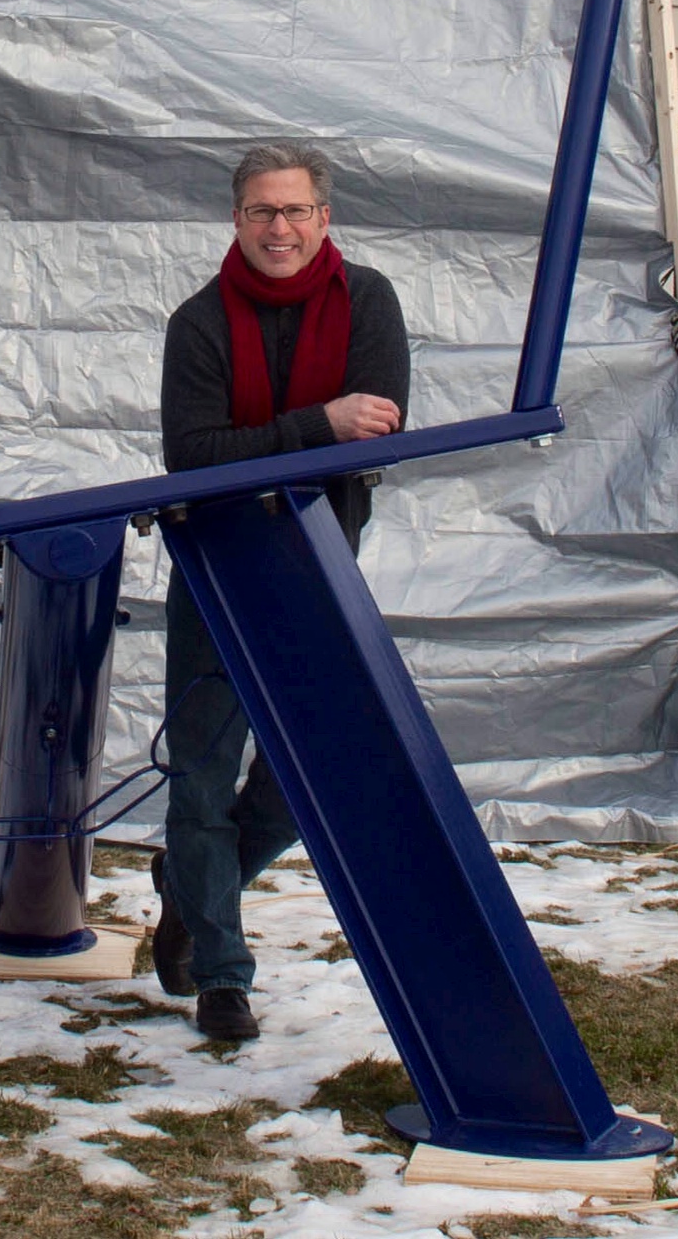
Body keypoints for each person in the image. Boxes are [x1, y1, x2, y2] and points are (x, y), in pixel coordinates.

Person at [152, 138, 409, 1041]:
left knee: (310, 771)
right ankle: (222, 974)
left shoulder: (368, 300)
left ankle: (189, 883)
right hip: (217, 566)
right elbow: (192, 457)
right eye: (262, 211)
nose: (280, 228)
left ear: (324, 218)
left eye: (297, 210)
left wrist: (287, 438)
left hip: (317, 565)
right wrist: (316, 426)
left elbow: (374, 435)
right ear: (237, 219)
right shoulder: (201, 323)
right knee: (203, 772)